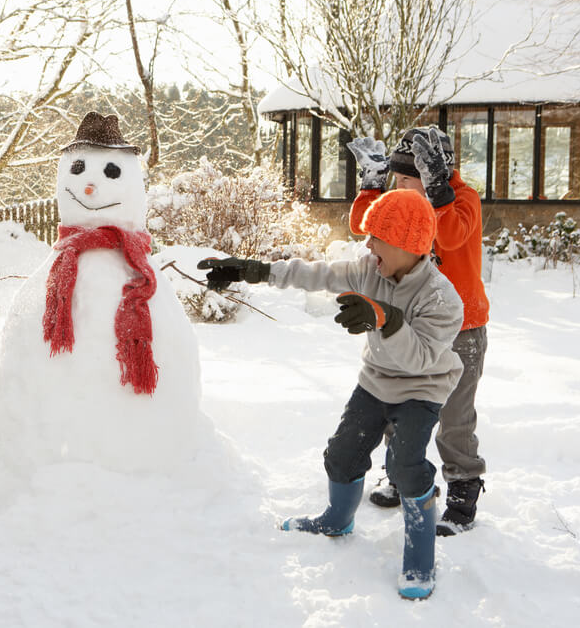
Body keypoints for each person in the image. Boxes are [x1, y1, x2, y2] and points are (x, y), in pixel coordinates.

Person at [198, 188, 464, 599]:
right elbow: (315, 273)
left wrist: (384, 317)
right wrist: (253, 270)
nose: (368, 244)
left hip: (422, 389)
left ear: (408, 244)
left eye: (377, 236)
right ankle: (337, 519)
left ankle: (420, 557)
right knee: (343, 453)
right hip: (375, 381)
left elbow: (422, 359)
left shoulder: (442, 298)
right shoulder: (368, 270)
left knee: (407, 464)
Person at [348, 127, 489, 536]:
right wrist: (372, 187)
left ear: (436, 173)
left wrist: (439, 192)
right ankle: (399, 473)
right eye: (397, 180)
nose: (404, 189)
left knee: (455, 416)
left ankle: (463, 487)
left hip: (462, 329)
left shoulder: (462, 200)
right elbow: (365, 226)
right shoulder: (404, 204)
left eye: (411, 180)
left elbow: (451, 234)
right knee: (398, 401)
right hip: (408, 326)